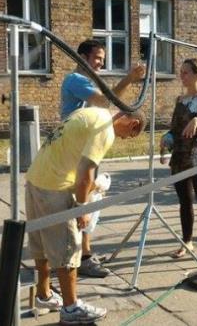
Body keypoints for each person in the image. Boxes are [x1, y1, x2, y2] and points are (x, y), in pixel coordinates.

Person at [26, 107, 146, 323]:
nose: (123, 138)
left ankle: (43, 294)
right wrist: (83, 208)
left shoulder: (92, 113)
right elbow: (85, 175)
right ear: (133, 125)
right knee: (68, 249)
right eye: (129, 135)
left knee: (41, 244)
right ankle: (71, 308)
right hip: (55, 188)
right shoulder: (105, 130)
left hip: (36, 178)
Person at [60, 39, 146, 278]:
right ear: (82, 57)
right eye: (97, 57)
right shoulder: (75, 80)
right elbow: (107, 101)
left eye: (102, 59)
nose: (101, 63)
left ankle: (80, 253)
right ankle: (82, 257)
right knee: (83, 200)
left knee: (89, 197)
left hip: (84, 143)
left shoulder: (88, 82)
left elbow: (108, 100)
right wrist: (129, 78)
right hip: (76, 145)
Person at [160, 58, 197, 258]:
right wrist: (166, 138)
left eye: (185, 72)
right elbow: (175, 129)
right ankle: (188, 242)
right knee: (185, 202)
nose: (181, 76)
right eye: (181, 72)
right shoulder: (180, 100)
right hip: (180, 157)